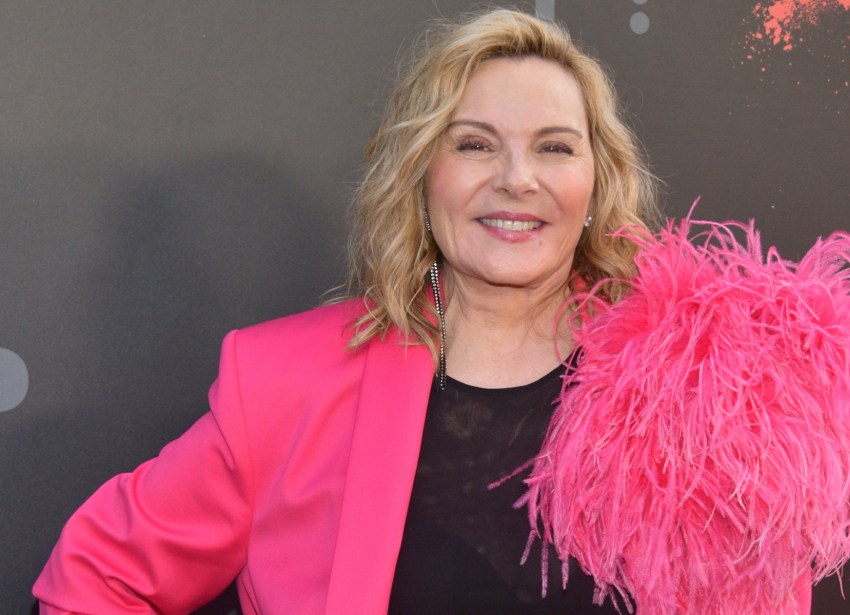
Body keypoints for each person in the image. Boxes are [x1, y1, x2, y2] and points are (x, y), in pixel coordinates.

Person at [33, 7, 692, 614]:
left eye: (554, 147)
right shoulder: (284, 384)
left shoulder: (689, 387)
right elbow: (95, 578)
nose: (517, 178)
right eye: (474, 144)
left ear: (597, 181)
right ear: (421, 172)